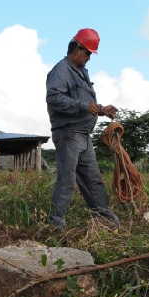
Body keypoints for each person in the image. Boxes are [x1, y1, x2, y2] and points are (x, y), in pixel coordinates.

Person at [46, 28, 120, 230]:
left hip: (83, 136)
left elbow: (85, 104)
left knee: (93, 179)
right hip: (68, 134)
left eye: (90, 54)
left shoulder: (80, 72)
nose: (89, 58)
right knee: (67, 180)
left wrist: (102, 110)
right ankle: (55, 225)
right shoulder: (61, 71)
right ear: (76, 48)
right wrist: (83, 106)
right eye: (87, 53)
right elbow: (53, 98)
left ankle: (103, 217)